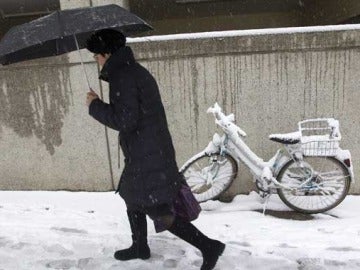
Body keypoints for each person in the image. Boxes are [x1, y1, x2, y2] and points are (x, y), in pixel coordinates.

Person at [85, 29, 225, 270]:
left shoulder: (123, 76)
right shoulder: (131, 71)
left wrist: (94, 106)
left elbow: (125, 120)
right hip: (148, 149)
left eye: (96, 55)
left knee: (156, 208)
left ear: (106, 54)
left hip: (146, 153)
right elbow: (133, 115)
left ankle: (208, 246)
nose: (96, 60)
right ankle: (139, 246)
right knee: (131, 194)